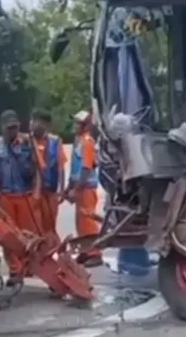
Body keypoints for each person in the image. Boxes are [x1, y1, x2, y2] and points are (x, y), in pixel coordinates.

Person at [0, 109, 42, 285]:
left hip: (25, 195)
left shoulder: (28, 142)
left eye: (15, 127)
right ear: (2, 128)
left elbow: (37, 169)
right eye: (9, 128)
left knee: (28, 234)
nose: (12, 131)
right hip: (6, 195)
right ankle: (15, 270)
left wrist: (37, 192)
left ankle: (29, 266)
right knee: (8, 236)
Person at [65, 109, 104, 268]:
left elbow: (86, 169)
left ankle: (94, 253)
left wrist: (76, 189)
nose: (74, 126)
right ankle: (85, 251)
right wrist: (70, 187)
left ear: (85, 125)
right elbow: (75, 168)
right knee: (81, 222)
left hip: (86, 188)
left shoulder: (87, 142)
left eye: (77, 123)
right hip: (80, 187)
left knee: (87, 221)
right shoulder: (79, 141)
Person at [30, 109, 65, 236]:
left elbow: (60, 166)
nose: (34, 124)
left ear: (46, 125)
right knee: (34, 228)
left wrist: (61, 189)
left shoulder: (55, 142)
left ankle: (50, 253)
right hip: (31, 192)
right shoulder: (26, 141)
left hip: (50, 191)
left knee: (50, 227)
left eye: (38, 121)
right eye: (33, 120)